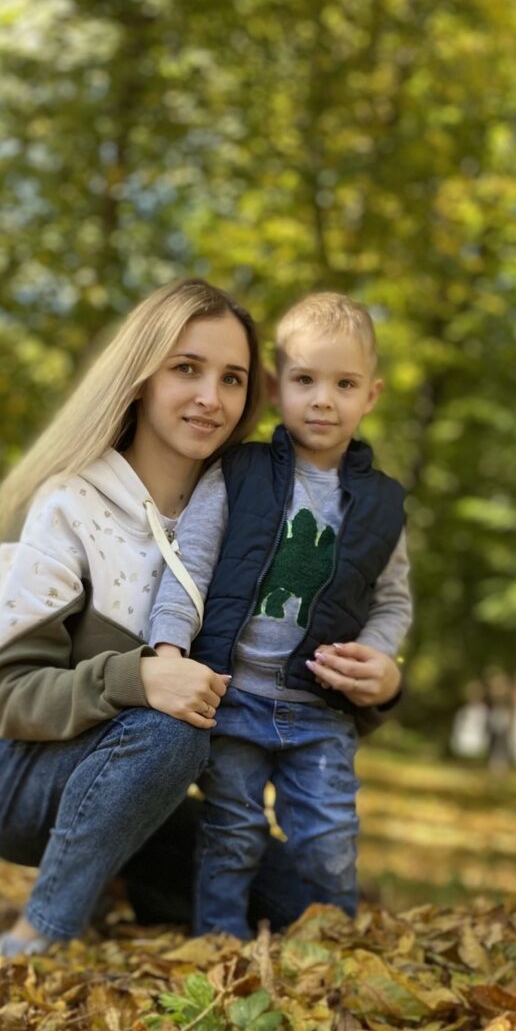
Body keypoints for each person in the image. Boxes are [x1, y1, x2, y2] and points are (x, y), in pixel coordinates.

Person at [0, 277, 296, 956]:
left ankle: (120, 876)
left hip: (156, 781)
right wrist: (137, 679)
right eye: (187, 369)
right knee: (168, 732)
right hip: (15, 774)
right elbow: (8, 697)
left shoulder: (244, 519)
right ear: (140, 377)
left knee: (302, 899)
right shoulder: (68, 505)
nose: (211, 398)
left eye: (232, 379)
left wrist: (380, 682)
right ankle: (39, 932)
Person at [144, 292, 412, 937]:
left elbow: (393, 598)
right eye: (305, 381)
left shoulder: (381, 504)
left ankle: (332, 953)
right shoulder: (239, 474)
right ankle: (221, 949)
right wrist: (169, 650)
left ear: (370, 396)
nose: (323, 400)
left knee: (329, 839)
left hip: (318, 711)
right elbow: (190, 565)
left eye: (344, 384)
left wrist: (379, 653)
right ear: (274, 388)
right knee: (231, 832)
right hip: (231, 700)